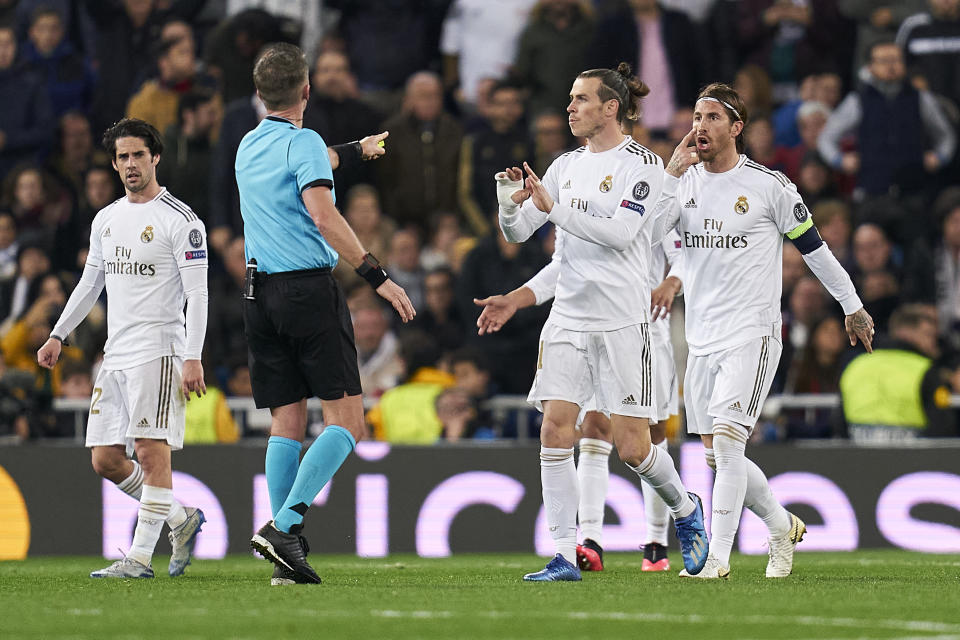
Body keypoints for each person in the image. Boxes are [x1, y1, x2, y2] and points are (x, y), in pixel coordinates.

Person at [483, 62, 709, 581]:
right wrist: (508, 204)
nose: (570, 107)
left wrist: (553, 209)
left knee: (633, 447)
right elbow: (521, 235)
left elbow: (620, 234)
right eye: (570, 99)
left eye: (581, 99)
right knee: (555, 430)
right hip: (568, 319)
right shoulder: (563, 166)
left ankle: (684, 508)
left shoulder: (644, 167)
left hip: (623, 322)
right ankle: (565, 554)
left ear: (611, 108)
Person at [655, 82, 875, 578]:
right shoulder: (683, 184)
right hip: (702, 338)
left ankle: (717, 559)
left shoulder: (768, 186)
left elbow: (815, 249)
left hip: (752, 333)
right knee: (715, 460)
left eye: (712, 117)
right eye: (695, 116)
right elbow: (647, 237)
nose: (700, 126)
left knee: (731, 446)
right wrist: (670, 173)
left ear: (737, 128)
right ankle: (779, 525)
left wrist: (852, 305)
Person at [237, 43, 414, 586]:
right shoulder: (306, 142)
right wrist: (375, 275)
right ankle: (284, 526)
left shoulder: (249, 145)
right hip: (307, 293)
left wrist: (356, 151)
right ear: (307, 91)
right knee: (348, 421)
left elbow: (313, 157)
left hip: (258, 297)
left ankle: (284, 559)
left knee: (286, 422)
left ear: (261, 93)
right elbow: (322, 211)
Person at [36, 117, 209, 579]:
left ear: (155, 157)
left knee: (152, 452)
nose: (130, 164)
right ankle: (180, 518)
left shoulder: (182, 221)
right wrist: (58, 333)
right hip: (115, 354)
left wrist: (192, 354)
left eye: (138, 155)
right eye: (122, 157)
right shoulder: (106, 219)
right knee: (105, 459)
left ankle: (138, 559)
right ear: (114, 164)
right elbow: (90, 284)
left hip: (161, 348)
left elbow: (199, 295)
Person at [476, 228, 685, 573]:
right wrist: (516, 298)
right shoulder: (574, 195)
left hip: (646, 329)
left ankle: (657, 540)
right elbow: (561, 266)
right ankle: (590, 541)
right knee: (593, 426)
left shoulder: (650, 189)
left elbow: (683, 256)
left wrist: (670, 283)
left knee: (649, 437)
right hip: (589, 331)